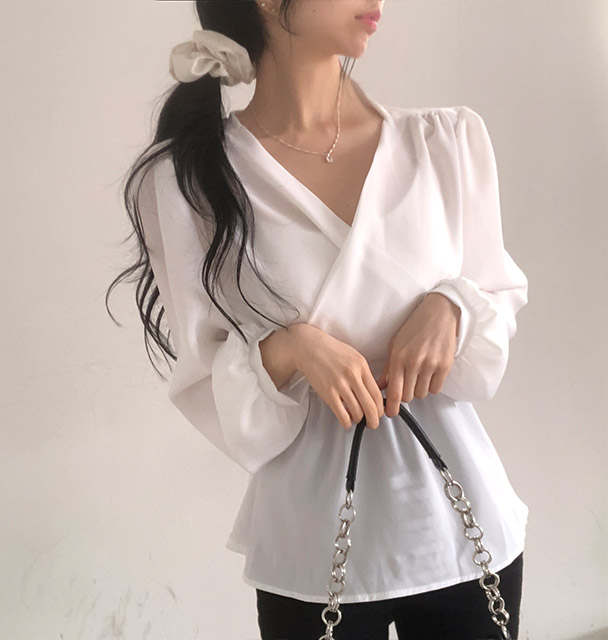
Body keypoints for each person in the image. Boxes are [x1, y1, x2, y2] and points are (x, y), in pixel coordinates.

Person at [106, 1, 529, 639]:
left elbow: (497, 296)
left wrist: (455, 306)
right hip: (310, 544)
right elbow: (204, 379)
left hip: (464, 532)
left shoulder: (444, 143)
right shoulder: (187, 180)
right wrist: (289, 349)